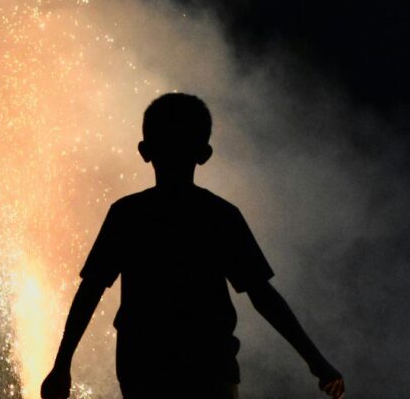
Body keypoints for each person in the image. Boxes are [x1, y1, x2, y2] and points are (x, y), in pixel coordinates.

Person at [41, 93, 344, 399]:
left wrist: (62, 365)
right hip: (211, 369)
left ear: (145, 152)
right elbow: (263, 296)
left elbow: (90, 291)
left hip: (143, 370)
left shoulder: (128, 215)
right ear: (204, 154)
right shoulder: (220, 216)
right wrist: (317, 364)